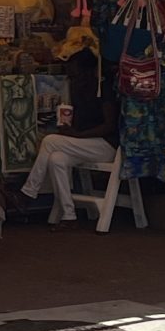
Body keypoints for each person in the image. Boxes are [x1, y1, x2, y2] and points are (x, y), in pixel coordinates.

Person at [22, 30, 116, 226]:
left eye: (77, 74)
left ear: (89, 72)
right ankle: (68, 214)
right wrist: (69, 129)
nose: (74, 80)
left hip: (104, 146)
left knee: (49, 141)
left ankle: (30, 191)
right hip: (85, 143)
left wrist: (79, 135)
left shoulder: (103, 90)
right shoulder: (78, 90)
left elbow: (109, 126)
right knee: (57, 159)